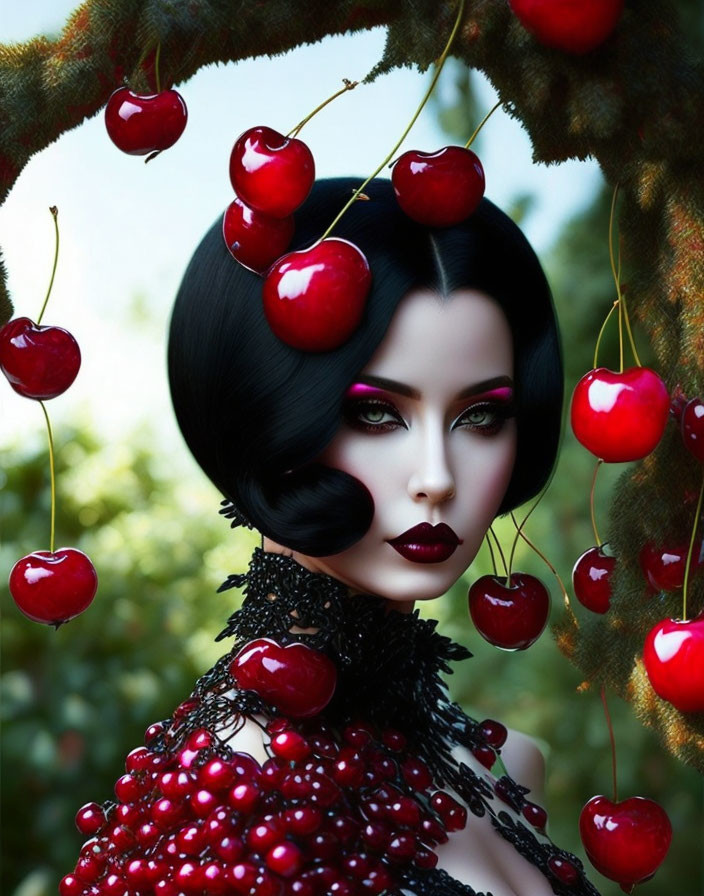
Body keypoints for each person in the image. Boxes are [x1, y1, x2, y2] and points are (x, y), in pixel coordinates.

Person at [62, 179, 600, 896]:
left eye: (480, 417)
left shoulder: (504, 766)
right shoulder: (233, 793)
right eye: (377, 415)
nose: (436, 478)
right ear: (271, 416)